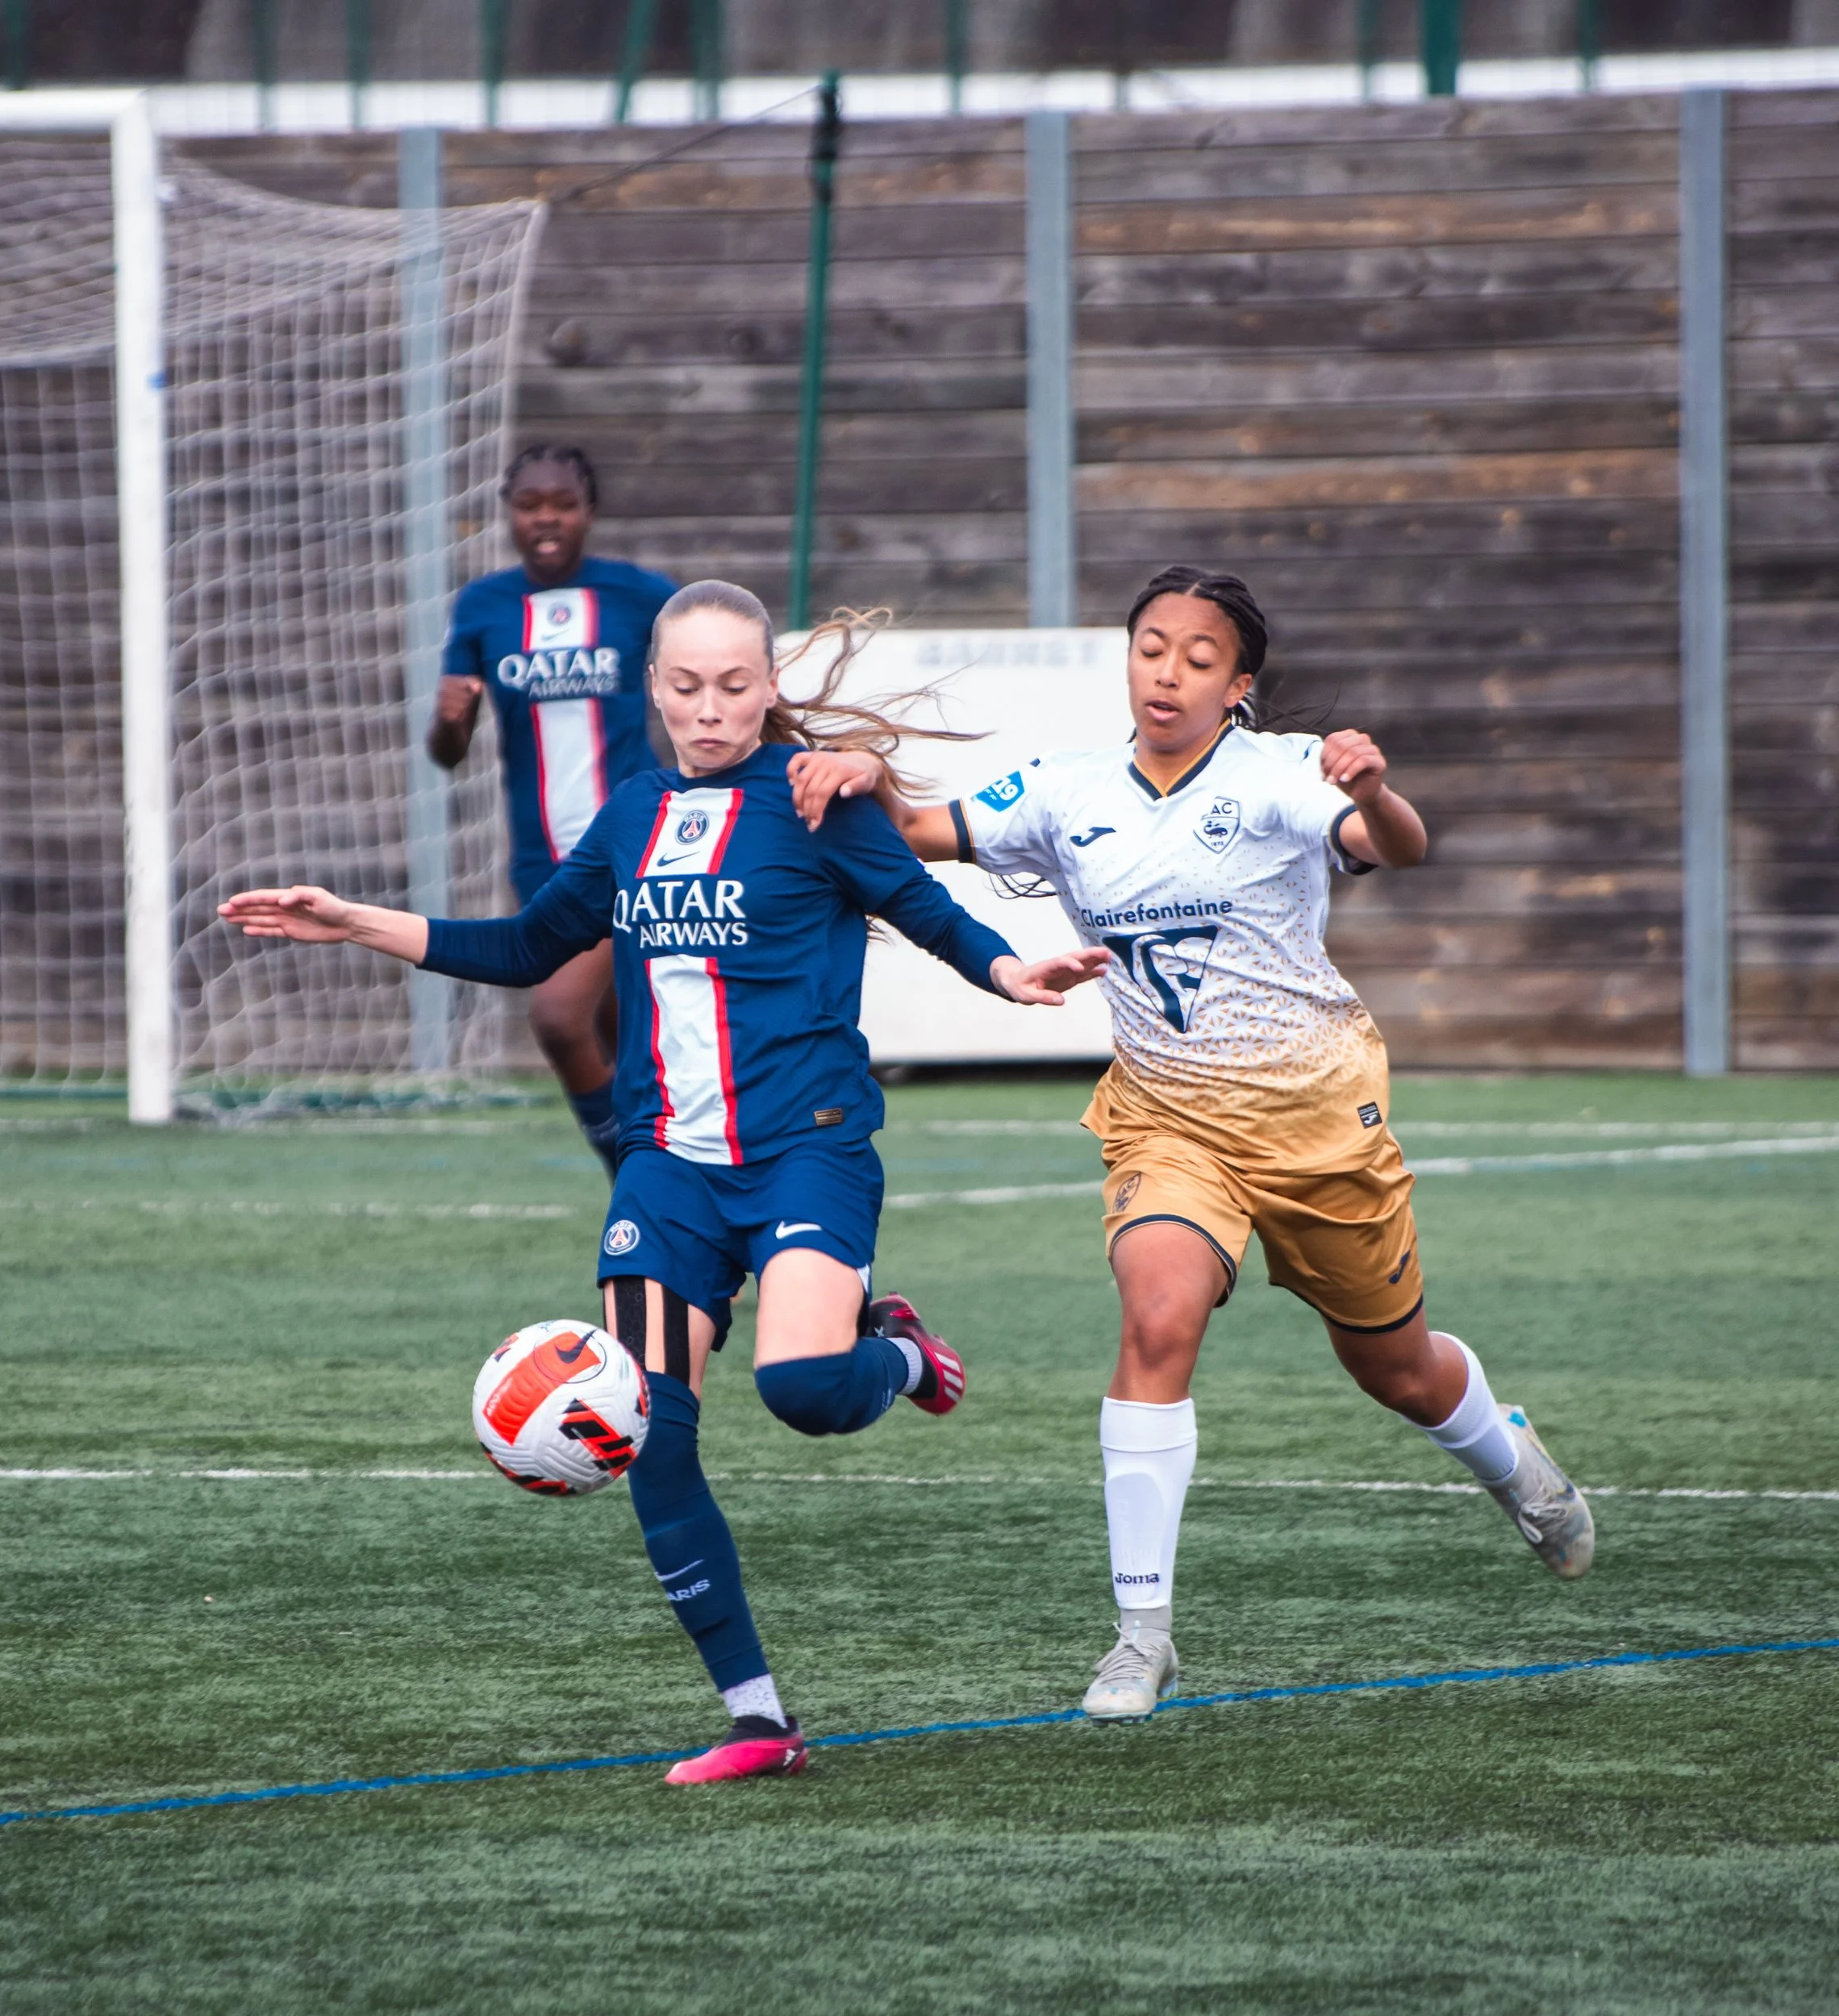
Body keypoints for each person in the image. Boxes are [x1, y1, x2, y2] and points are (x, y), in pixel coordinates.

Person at [223, 581, 1108, 1781]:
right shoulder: (632, 812)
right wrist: (358, 921)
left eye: (735, 685)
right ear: (652, 688)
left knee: (800, 1385)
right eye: (685, 686)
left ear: (769, 686)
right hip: (668, 1172)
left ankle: (898, 1352)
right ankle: (758, 1717)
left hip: (808, 1147)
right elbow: (534, 945)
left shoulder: (815, 800)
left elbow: (922, 904)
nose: (709, 709)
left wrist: (1010, 977)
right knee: (653, 1432)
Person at [790, 563, 1595, 1725]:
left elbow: (1397, 846)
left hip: (1317, 1122)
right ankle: (1141, 1639)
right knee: (1156, 1317)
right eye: (1152, 646)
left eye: (1200, 658)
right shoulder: (1065, 791)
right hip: (1169, 1122)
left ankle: (1511, 1463)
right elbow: (915, 833)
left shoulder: (1283, 774)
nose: (1169, 672)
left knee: (1396, 1368)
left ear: (1240, 685)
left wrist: (1378, 791)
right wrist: (866, 776)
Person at [427, 444, 677, 1173]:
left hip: (632, 848)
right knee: (637, 1051)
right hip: (542, 863)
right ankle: (683, 1206)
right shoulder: (482, 607)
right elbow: (447, 752)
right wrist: (449, 718)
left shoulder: (641, 596)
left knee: (559, 1019)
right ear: (509, 512)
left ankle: (636, 1186)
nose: (546, 518)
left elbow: (711, 671)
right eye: (530, 503)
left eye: (562, 504)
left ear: (588, 513)